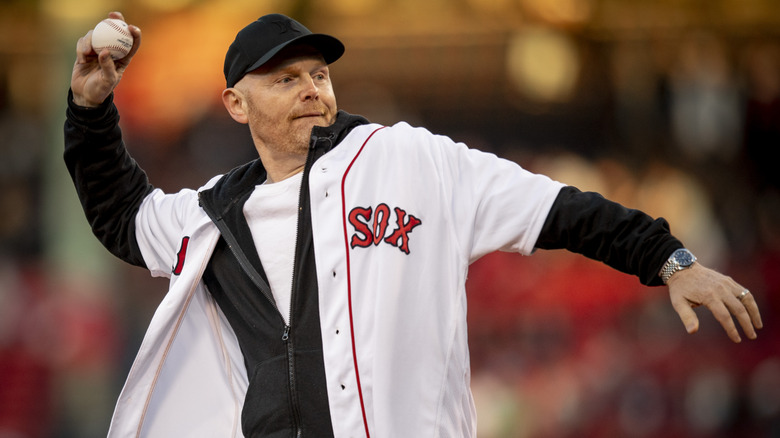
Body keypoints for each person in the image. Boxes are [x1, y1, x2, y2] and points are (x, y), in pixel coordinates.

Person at [65, 11, 763, 438]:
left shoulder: (409, 159)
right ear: (235, 105)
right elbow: (122, 215)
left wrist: (667, 258)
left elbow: (557, 209)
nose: (312, 88)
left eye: (319, 75)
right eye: (286, 79)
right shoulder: (215, 213)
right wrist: (90, 108)